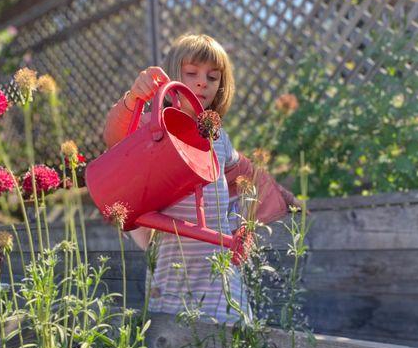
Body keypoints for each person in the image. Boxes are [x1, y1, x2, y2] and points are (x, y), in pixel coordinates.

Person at [102, 34, 299, 322]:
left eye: (213, 76)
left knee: (232, 327)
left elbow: (246, 175)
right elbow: (114, 137)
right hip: (174, 254)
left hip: (217, 255)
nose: (202, 82)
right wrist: (134, 97)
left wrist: (271, 204)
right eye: (191, 73)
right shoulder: (156, 127)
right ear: (173, 76)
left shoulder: (217, 135)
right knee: (173, 336)